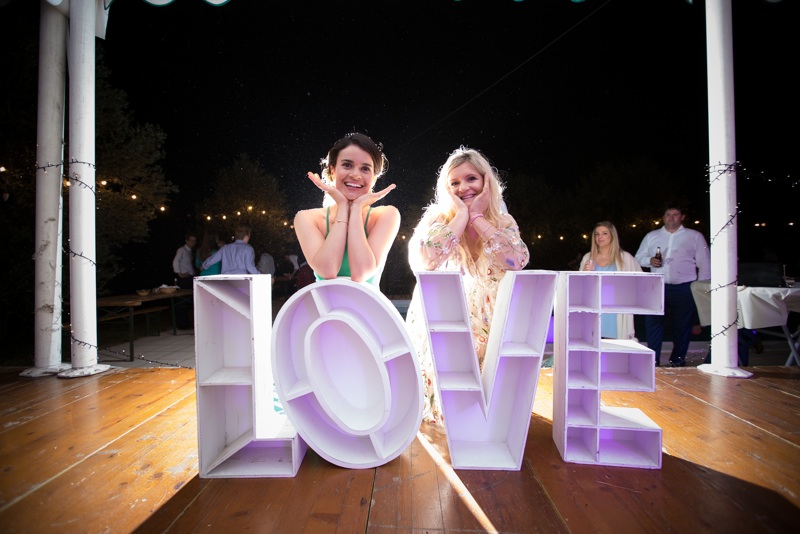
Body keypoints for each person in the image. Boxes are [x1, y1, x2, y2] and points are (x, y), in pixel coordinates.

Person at [405, 147, 530, 425]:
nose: (464, 188)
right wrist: (462, 215)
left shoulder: (502, 221)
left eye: (471, 179)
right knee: (451, 410)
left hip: (491, 318)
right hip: (447, 318)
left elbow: (516, 260)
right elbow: (428, 259)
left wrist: (477, 218)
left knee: (491, 410)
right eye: (455, 183)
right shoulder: (437, 220)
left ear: (487, 182)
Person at [294, 132, 400, 287]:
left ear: (374, 177)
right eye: (347, 165)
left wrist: (356, 209)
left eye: (365, 169)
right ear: (332, 171)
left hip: (369, 310)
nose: (355, 175)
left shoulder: (387, 215)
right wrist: (343, 207)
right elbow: (328, 270)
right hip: (324, 310)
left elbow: (361, 273)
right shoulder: (307, 219)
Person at [635, 205, 710, 367]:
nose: (671, 218)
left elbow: (705, 263)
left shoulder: (694, 236)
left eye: (675, 215)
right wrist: (650, 261)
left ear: (682, 217)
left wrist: (699, 288)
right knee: (652, 325)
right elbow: (638, 257)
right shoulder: (652, 236)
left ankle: (677, 360)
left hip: (684, 287)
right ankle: (653, 362)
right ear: (663, 217)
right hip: (657, 285)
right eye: (668, 214)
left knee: (682, 327)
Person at [580, 221, 642, 340]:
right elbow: (580, 286)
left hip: (616, 311)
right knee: (592, 342)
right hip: (594, 307)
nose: (600, 237)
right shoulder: (588, 257)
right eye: (597, 234)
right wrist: (584, 273)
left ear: (612, 236)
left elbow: (640, 282)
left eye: (604, 233)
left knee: (615, 345)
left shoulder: (625, 258)